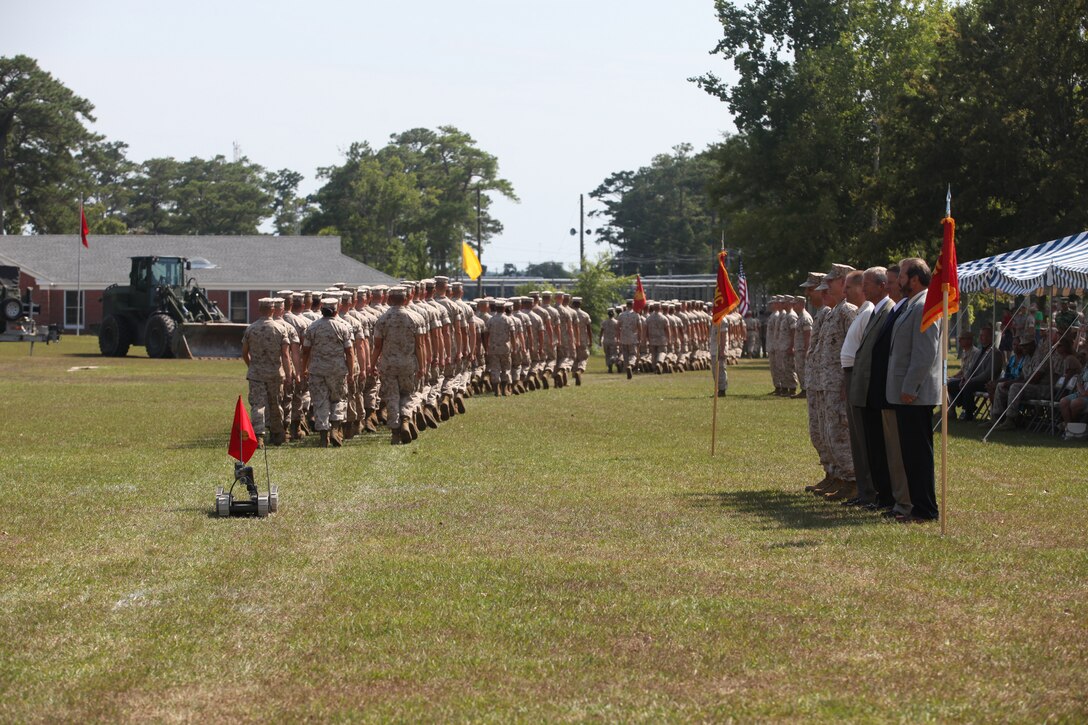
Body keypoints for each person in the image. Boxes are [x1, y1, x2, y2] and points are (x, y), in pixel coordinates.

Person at [886, 258, 942, 522]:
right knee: (911, 453)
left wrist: (910, 387)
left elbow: (925, 353)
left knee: (918, 455)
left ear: (915, 279)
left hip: (914, 395)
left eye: (902, 276)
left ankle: (925, 509)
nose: (898, 280)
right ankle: (918, 507)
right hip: (905, 392)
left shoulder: (923, 306)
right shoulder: (912, 305)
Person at [846, 266, 894, 509]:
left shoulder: (887, 310)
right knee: (869, 443)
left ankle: (881, 495)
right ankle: (875, 494)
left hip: (874, 387)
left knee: (876, 445)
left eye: (867, 284)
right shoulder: (876, 310)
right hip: (864, 386)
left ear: (881, 285)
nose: (863, 288)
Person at [810, 264, 857, 501]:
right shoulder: (834, 312)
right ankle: (838, 476)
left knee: (840, 433)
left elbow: (855, 351)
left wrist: (846, 384)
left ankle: (852, 481)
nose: (825, 287)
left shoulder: (848, 311)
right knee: (829, 432)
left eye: (831, 281)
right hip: (826, 384)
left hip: (838, 385)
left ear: (843, 281)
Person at [371, 286, 427, 445]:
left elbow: (377, 346)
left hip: (388, 364)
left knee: (392, 396)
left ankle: (395, 432)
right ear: (406, 299)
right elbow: (420, 346)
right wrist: (422, 366)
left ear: (388, 300)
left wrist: (371, 364)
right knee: (407, 394)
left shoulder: (382, 319)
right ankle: (405, 419)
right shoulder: (416, 318)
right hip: (408, 363)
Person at [301, 296, 354, 448]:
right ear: (336, 309)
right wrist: (351, 372)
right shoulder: (343, 326)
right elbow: (349, 351)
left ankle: (324, 435)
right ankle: (335, 429)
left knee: (320, 401)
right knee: (338, 399)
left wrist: (304, 368)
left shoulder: (312, 327)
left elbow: (305, 351)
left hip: (317, 370)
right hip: (337, 370)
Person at [241, 298, 293, 446]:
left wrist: (251, 365)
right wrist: (289, 374)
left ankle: (258, 436)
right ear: (273, 310)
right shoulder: (280, 329)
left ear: (259, 310)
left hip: (256, 373)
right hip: (275, 374)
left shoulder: (251, 328)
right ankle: (277, 434)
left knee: (258, 405)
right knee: (275, 404)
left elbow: (244, 352)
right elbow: (285, 355)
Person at [600, 309, 619, 373]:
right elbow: (618, 332)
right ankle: (615, 363)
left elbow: (601, 332)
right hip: (613, 340)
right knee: (614, 354)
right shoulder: (616, 322)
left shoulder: (604, 322)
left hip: (606, 340)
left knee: (607, 354)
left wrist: (600, 340)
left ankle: (609, 367)